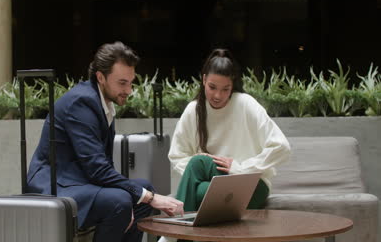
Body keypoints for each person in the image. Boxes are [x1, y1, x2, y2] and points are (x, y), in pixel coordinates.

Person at [27, 41, 184, 242]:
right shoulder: (82, 102)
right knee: (121, 200)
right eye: (122, 83)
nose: (129, 90)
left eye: (130, 82)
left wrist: (144, 196)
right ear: (101, 77)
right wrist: (149, 198)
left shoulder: (102, 102)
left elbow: (101, 167)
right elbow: (97, 169)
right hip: (55, 184)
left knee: (144, 189)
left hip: (79, 180)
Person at [158, 48, 291, 242]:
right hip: (211, 183)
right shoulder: (194, 110)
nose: (218, 95)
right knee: (199, 182)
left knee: (197, 166)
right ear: (203, 80)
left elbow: (282, 148)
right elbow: (177, 155)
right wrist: (204, 172)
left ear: (233, 86)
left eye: (225, 89)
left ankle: (170, 238)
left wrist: (240, 168)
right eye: (212, 87)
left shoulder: (246, 104)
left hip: (251, 184)